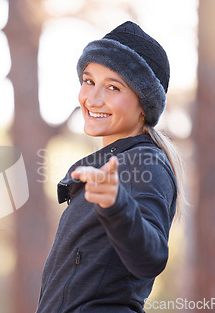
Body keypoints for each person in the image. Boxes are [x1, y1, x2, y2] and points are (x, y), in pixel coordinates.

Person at [36, 21, 186, 313]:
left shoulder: (145, 164)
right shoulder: (112, 165)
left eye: (113, 87)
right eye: (89, 80)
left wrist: (116, 205)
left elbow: (151, 258)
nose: (92, 99)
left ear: (144, 104)